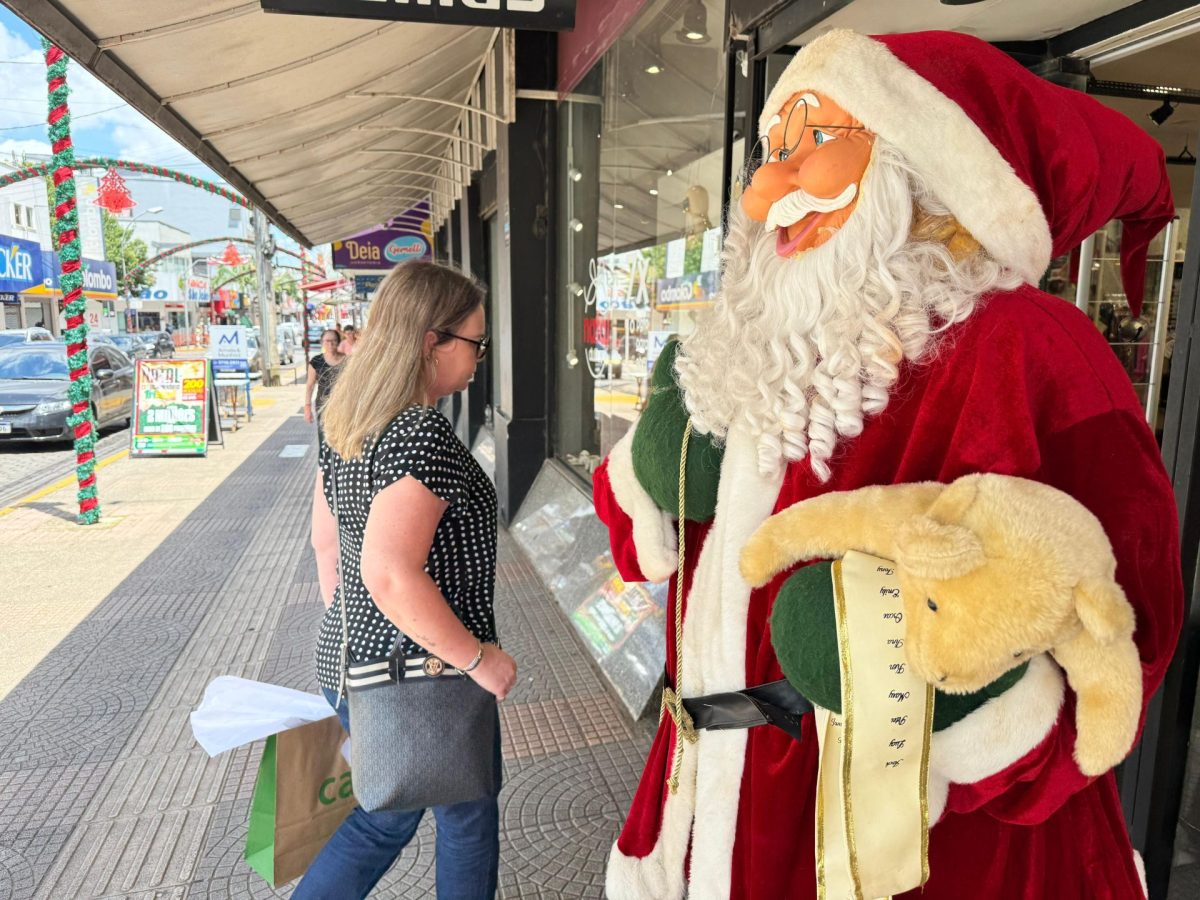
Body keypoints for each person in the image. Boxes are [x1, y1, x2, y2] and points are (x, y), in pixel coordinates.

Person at [593, 30, 1182, 900]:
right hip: (703, 795)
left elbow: (1126, 617)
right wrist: (651, 484)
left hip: (906, 847)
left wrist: (929, 688)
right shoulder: (751, 349)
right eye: (771, 152)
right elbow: (656, 558)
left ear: (921, 170)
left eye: (815, 142)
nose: (767, 190)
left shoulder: (1027, 347)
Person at [297, 261, 515, 900]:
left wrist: (356, 627)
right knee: (407, 820)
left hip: (355, 660)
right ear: (432, 342)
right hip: (425, 671)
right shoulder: (420, 432)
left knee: (439, 810)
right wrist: (480, 660)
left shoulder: (348, 416)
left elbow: (327, 540)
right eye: (475, 341)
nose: (479, 357)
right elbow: (390, 572)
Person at [304, 329, 344, 427]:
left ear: (338, 342)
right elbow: (310, 386)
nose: (330, 343)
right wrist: (307, 408)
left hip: (344, 406)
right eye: (327, 341)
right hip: (323, 407)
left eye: (334, 340)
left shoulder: (348, 360)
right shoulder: (316, 361)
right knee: (325, 438)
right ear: (322, 342)